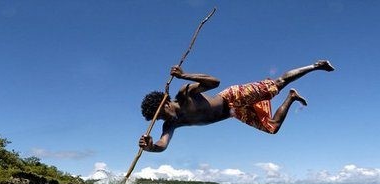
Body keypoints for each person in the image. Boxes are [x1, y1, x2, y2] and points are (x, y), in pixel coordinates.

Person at [138, 60, 335, 152]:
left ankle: (316, 66)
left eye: (162, 115)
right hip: (234, 112)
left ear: (165, 103)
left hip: (233, 97)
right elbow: (162, 145)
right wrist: (150, 147)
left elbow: (214, 82)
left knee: (277, 84)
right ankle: (292, 97)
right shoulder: (170, 125)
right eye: (161, 120)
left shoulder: (184, 95)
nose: (165, 120)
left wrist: (185, 75)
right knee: (272, 128)